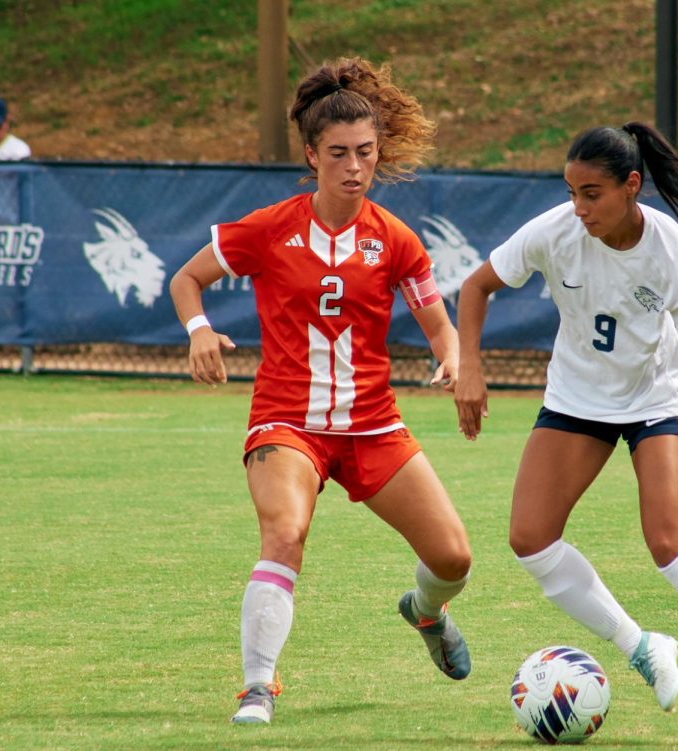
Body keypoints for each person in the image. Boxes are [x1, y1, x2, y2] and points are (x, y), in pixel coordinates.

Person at [454, 123, 678, 749]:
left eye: (593, 194)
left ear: (632, 186)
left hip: (654, 401)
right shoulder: (555, 231)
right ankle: (642, 646)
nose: (579, 208)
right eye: (572, 192)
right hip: (577, 399)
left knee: (669, 544)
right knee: (529, 537)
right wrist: (470, 366)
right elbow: (476, 287)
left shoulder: (669, 251)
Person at [169, 57, 472, 725]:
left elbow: (438, 323)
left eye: (365, 152)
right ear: (312, 154)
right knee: (284, 531)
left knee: (454, 556)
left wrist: (452, 359)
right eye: (338, 153)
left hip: (372, 425)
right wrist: (198, 330)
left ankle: (425, 611)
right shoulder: (270, 228)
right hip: (287, 423)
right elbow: (185, 279)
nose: (355, 166)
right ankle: (257, 686)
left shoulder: (395, 241)